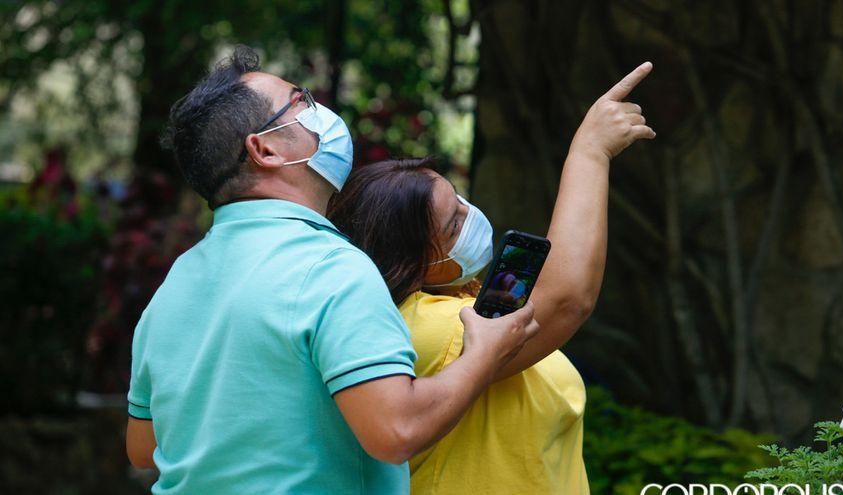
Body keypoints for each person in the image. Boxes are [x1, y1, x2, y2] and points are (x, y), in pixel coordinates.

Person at [124, 46, 540, 494]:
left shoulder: (175, 284)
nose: (317, 108)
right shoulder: (330, 269)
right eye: (300, 101)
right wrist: (484, 354)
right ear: (264, 149)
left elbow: (144, 447)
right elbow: (397, 430)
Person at [328, 62, 655, 494]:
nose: (470, 217)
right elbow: (565, 300)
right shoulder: (428, 328)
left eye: (460, 201)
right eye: (453, 225)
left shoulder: (466, 300)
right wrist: (590, 152)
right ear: (412, 263)